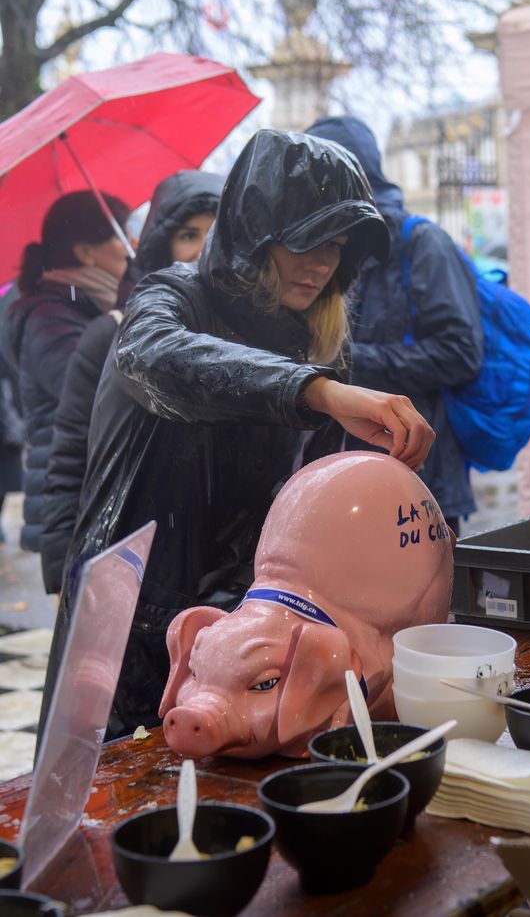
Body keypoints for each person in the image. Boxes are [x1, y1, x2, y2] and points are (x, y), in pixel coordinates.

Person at [39, 129, 434, 744]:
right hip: (128, 614)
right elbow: (156, 356)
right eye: (304, 242)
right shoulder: (172, 295)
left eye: (337, 246)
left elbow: (318, 509)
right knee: (104, 804)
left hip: (244, 619)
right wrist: (318, 390)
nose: (322, 263)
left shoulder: (323, 334)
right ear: (255, 233)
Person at [40, 170, 223, 594]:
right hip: (128, 567)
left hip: (220, 577)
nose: (204, 249)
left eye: (218, 233)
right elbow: (70, 458)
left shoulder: (257, 345)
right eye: (189, 234)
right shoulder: (111, 336)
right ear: (164, 247)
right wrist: (63, 575)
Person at [306, 115, 484, 535]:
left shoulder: (421, 243)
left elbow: (462, 352)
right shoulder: (317, 246)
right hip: (342, 473)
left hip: (420, 473)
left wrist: (346, 364)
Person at [3, 191, 130, 556]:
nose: (131, 243)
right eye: (121, 231)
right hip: (71, 504)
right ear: (85, 251)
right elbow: (93, 394)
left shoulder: (84, 305)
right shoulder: (51, 317)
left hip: (91, 495)